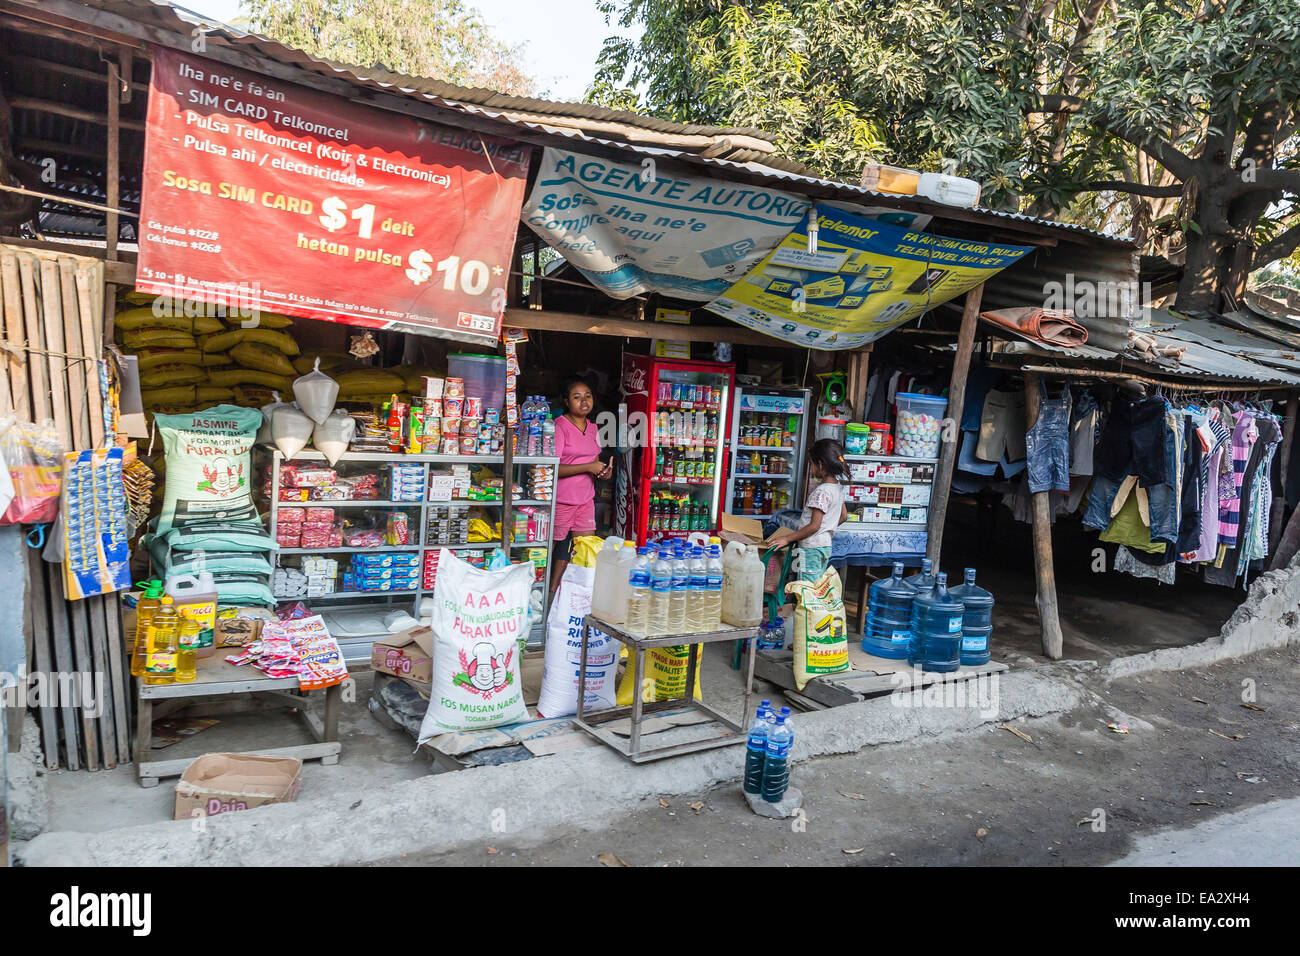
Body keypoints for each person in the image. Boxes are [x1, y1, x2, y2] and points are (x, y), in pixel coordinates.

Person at [550, 376, 610, 594]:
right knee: (550, 549)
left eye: (588, 396)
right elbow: (553, 468)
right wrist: (588, 467)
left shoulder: (593, 428)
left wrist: (603, 472)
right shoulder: (559, 427)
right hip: (561, 500)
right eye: (577, 397)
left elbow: (593, 464)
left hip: (585, 499)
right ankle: (538, 591)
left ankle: (564, 594)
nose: (584, 401)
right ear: (566, 401)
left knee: (583, 549)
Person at [767, 438, 849, 582]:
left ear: (820, 465)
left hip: (810, 548)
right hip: (824, 546)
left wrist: (787, 538)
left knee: (806, 589)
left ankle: (806, 605)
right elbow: (843, 516)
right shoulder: (837, 487)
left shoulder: (821, 492)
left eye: (811, 464)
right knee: (816, 586)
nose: (810, 468)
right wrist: (826, 530)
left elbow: (814, 526)